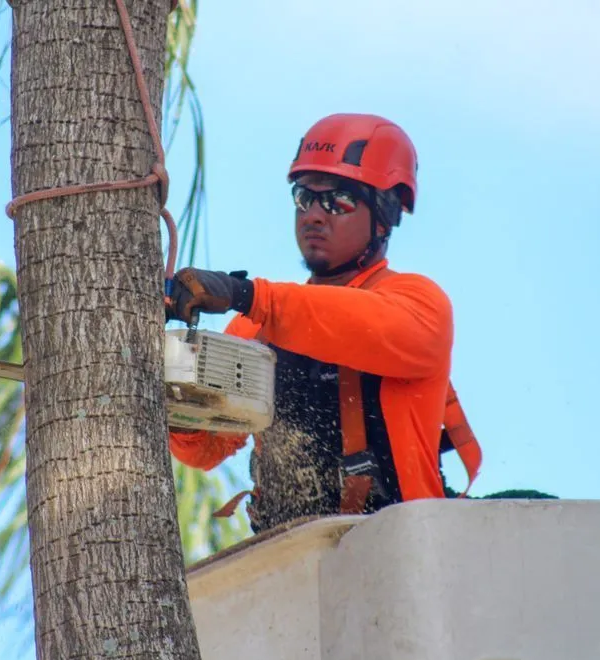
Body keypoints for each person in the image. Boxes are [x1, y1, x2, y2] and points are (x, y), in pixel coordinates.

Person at [166, 113, 482, 534]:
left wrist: (247, 295)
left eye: (338, 201)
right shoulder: (256, 328)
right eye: (304, 199)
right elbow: (206, 449)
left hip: (402, 547)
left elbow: (355, 323)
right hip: (292, 556)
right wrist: (180, 396)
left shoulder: (420, 305)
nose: (314, 215)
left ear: (384, 215)